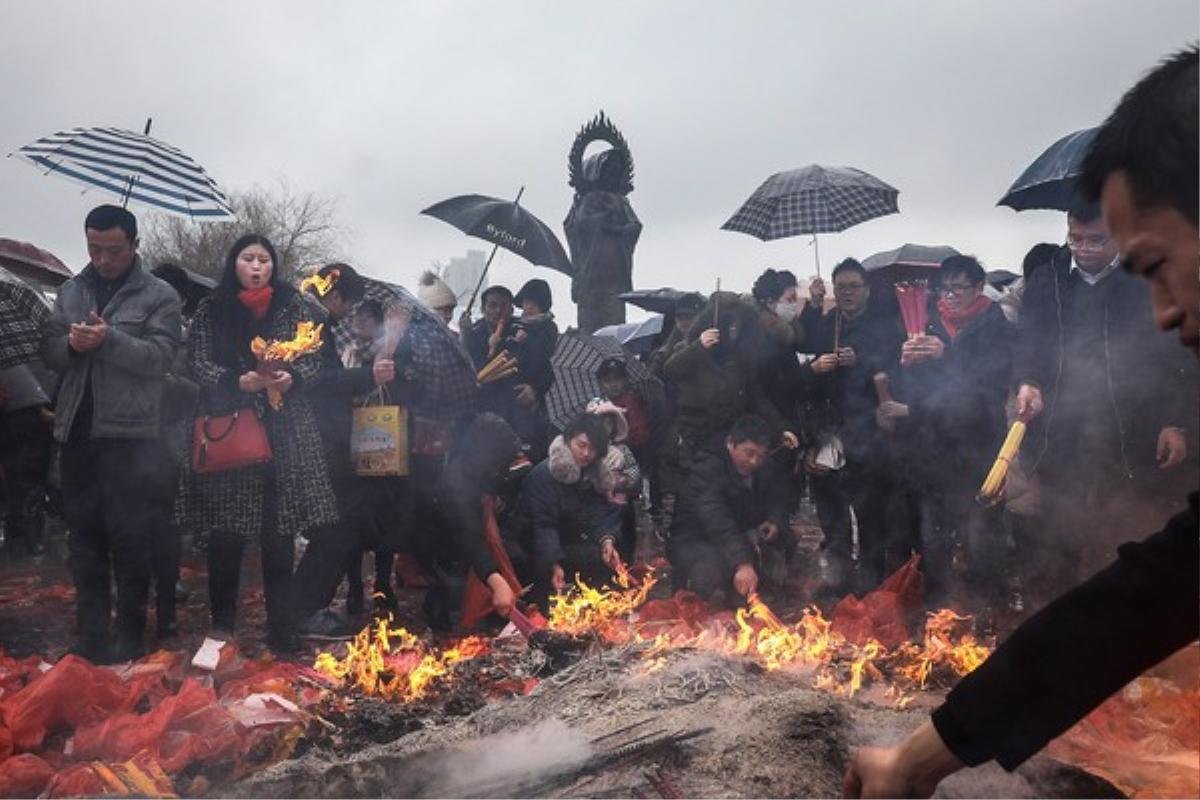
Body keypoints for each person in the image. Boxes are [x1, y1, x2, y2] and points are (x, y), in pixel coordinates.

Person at [843, 45, 1199, 798]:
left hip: (1125, 441)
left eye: (1160, 264)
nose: (1167, 314)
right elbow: (1147, 596)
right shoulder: (1047, 288)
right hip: (1068, 438)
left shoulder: (1137, 319)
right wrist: (923, 757)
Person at [1011, 192, 1194, 601]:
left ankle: (1126, 623)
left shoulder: (1145, 280)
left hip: (1131, 430)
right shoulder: (1048, 279)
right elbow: (1028, 344)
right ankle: (1054, 623)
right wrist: (1029, 382)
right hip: (1061, 430)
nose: (1085, 249)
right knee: (1057, 535)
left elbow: (1174, 358)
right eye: (1076, 239)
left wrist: (1175, 422)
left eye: (1096, 241)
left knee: (1124, 533)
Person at [174, 234, 338, 654]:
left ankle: (282, 628)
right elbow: (197, 360)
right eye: (248, 258)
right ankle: (222, 628)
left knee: (278, 535)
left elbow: (318, 360)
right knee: (226, 535)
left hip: (285, 432)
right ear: (234, 264)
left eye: (264, 259)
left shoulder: (296, 306)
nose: (256, 267)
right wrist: (235, 380)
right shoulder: (213, 308)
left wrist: (293, 378)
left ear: (273, 265)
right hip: (232, 428)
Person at [40, 204, 182, 663]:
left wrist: (110, 340)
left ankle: (130, 632)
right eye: (94, 249)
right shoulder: (72, 289)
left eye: (113, 250)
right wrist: (69, 344)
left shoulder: (159, 295)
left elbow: (161, 358)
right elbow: (50, 350)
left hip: (132, 437)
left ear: (134, 246)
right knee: (84, 538)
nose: (103, 259)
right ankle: (93, 632)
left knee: (129, 537)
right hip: (78, 429)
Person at [881, 256, 1014, 611]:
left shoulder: (995, 325)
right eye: (945, 288)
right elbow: (917, 393)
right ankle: (940, 613)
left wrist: (948, 354)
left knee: (981, 532)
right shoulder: (927, 324)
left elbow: (991, 386)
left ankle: (988, 609)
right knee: (934, 534)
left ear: (978, 286)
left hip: (980, 446)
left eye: (959, 288)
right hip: (934, 448)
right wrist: (907, 365)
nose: (950, 296)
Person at [800, 258, 904, 595]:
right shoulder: (828, 322)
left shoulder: (883, 322)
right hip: (829, 428)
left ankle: (873, 583)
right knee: (832, 511)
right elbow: (804, 350)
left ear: (866, 290)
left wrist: (860, 359)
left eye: (853, 287)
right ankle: (838, 583)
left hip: (869, 431)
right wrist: (817, 366)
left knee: (870, 511)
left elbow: (894, 364)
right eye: (840, 287)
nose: (846, 293)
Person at [667, 414, 791, 606]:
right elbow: (717, 520)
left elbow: (778, 495)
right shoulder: (707, 468)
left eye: (760, 455)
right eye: (748, 453)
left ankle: (758, 588)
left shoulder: (763, 466)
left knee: (786, 538)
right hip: (697, 538)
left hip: (739, 534)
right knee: (708, 572)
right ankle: (694, 599)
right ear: (730, 443)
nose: (754, 462)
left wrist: (774, 519)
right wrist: (743, 563)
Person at [428, 412, 528, 630]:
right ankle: (447, 626)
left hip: (475, 540)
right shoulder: (456, 485)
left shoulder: (482, 469)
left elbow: (497, 480)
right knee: (454, 593)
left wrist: (495, 498)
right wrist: (496, 580)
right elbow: (468, 536)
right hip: (446, 544)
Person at [520, 413, 624, 600]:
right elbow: (542, 526)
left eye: (592, 449)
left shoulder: (594, 473)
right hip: (543, 549)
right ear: (568, 441)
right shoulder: (544, 475)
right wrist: (554, 563)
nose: (586, 454)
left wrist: (607, 540)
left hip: (578, 542)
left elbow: (601, 511)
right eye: (581, 445)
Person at [464, 285, 550, 458]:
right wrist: (465, 336)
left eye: (503, 306)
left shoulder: (525, 331)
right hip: (483, 413)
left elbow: (546, 368)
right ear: (482, 308)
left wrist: (535, 389)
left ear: (511, 309)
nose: (498, 311)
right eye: (492, 305)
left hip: (518, 412)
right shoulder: (473, 334)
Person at [0, 365, 54, 555]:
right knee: (28, 471)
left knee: (19, 470)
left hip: (20, 405)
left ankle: (23, 529)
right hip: (25, 404)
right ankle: (29, 533)